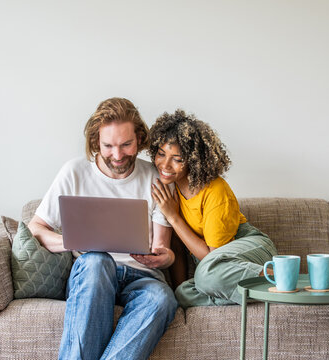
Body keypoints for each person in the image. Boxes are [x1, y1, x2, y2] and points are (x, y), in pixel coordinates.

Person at [28, 97, 179, 360]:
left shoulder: (156, 178)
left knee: (162, 299)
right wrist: (71, 241)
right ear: (96, 141)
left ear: (140, 139)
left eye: (126, 144)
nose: (117, 155)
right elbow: (35, 228)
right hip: (93, 274)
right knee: (97, 260)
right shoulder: (74, 172)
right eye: (108, 146)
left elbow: (162, 249)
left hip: (142, 277)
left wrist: (164, 257)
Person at [148, 109, 278, 307]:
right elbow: (177, 246)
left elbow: (210, 256)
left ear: (194, 161)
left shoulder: (215, 191)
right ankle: (265, 291)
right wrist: (179, 293)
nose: (165, 164)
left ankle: (282, 277)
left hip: (248, 248)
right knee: (183, 293)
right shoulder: (171, 189)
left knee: (207, 274)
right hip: (214, 269)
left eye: (178, 159)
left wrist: (174, 217)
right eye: (161, 154)